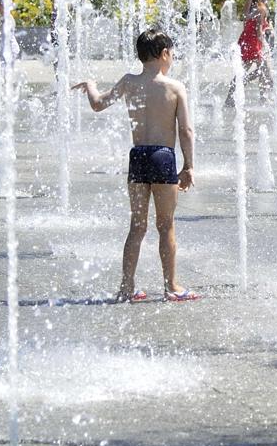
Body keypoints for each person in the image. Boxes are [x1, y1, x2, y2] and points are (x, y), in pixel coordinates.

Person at [72, 28, 199, 303]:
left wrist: (90, 84)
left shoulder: (129, 82)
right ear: (165, 54)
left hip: (138, 157)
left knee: (137, 226)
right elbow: (186, 130)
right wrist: (188, 166)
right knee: (165, 225)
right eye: (172, 53)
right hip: (163, 157)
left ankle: (126, 288)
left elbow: (97, 104)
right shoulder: (175, 87)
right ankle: (172, 286)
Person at [225, 0, 273, 106]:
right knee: (249, 68)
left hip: (258, 37)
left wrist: (268, 26)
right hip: (250, 37)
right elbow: (245, 16)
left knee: (264, 68)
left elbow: (265, 20)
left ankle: (263, 97)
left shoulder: (264, 1)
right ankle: (231, 96)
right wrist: (255, 15)